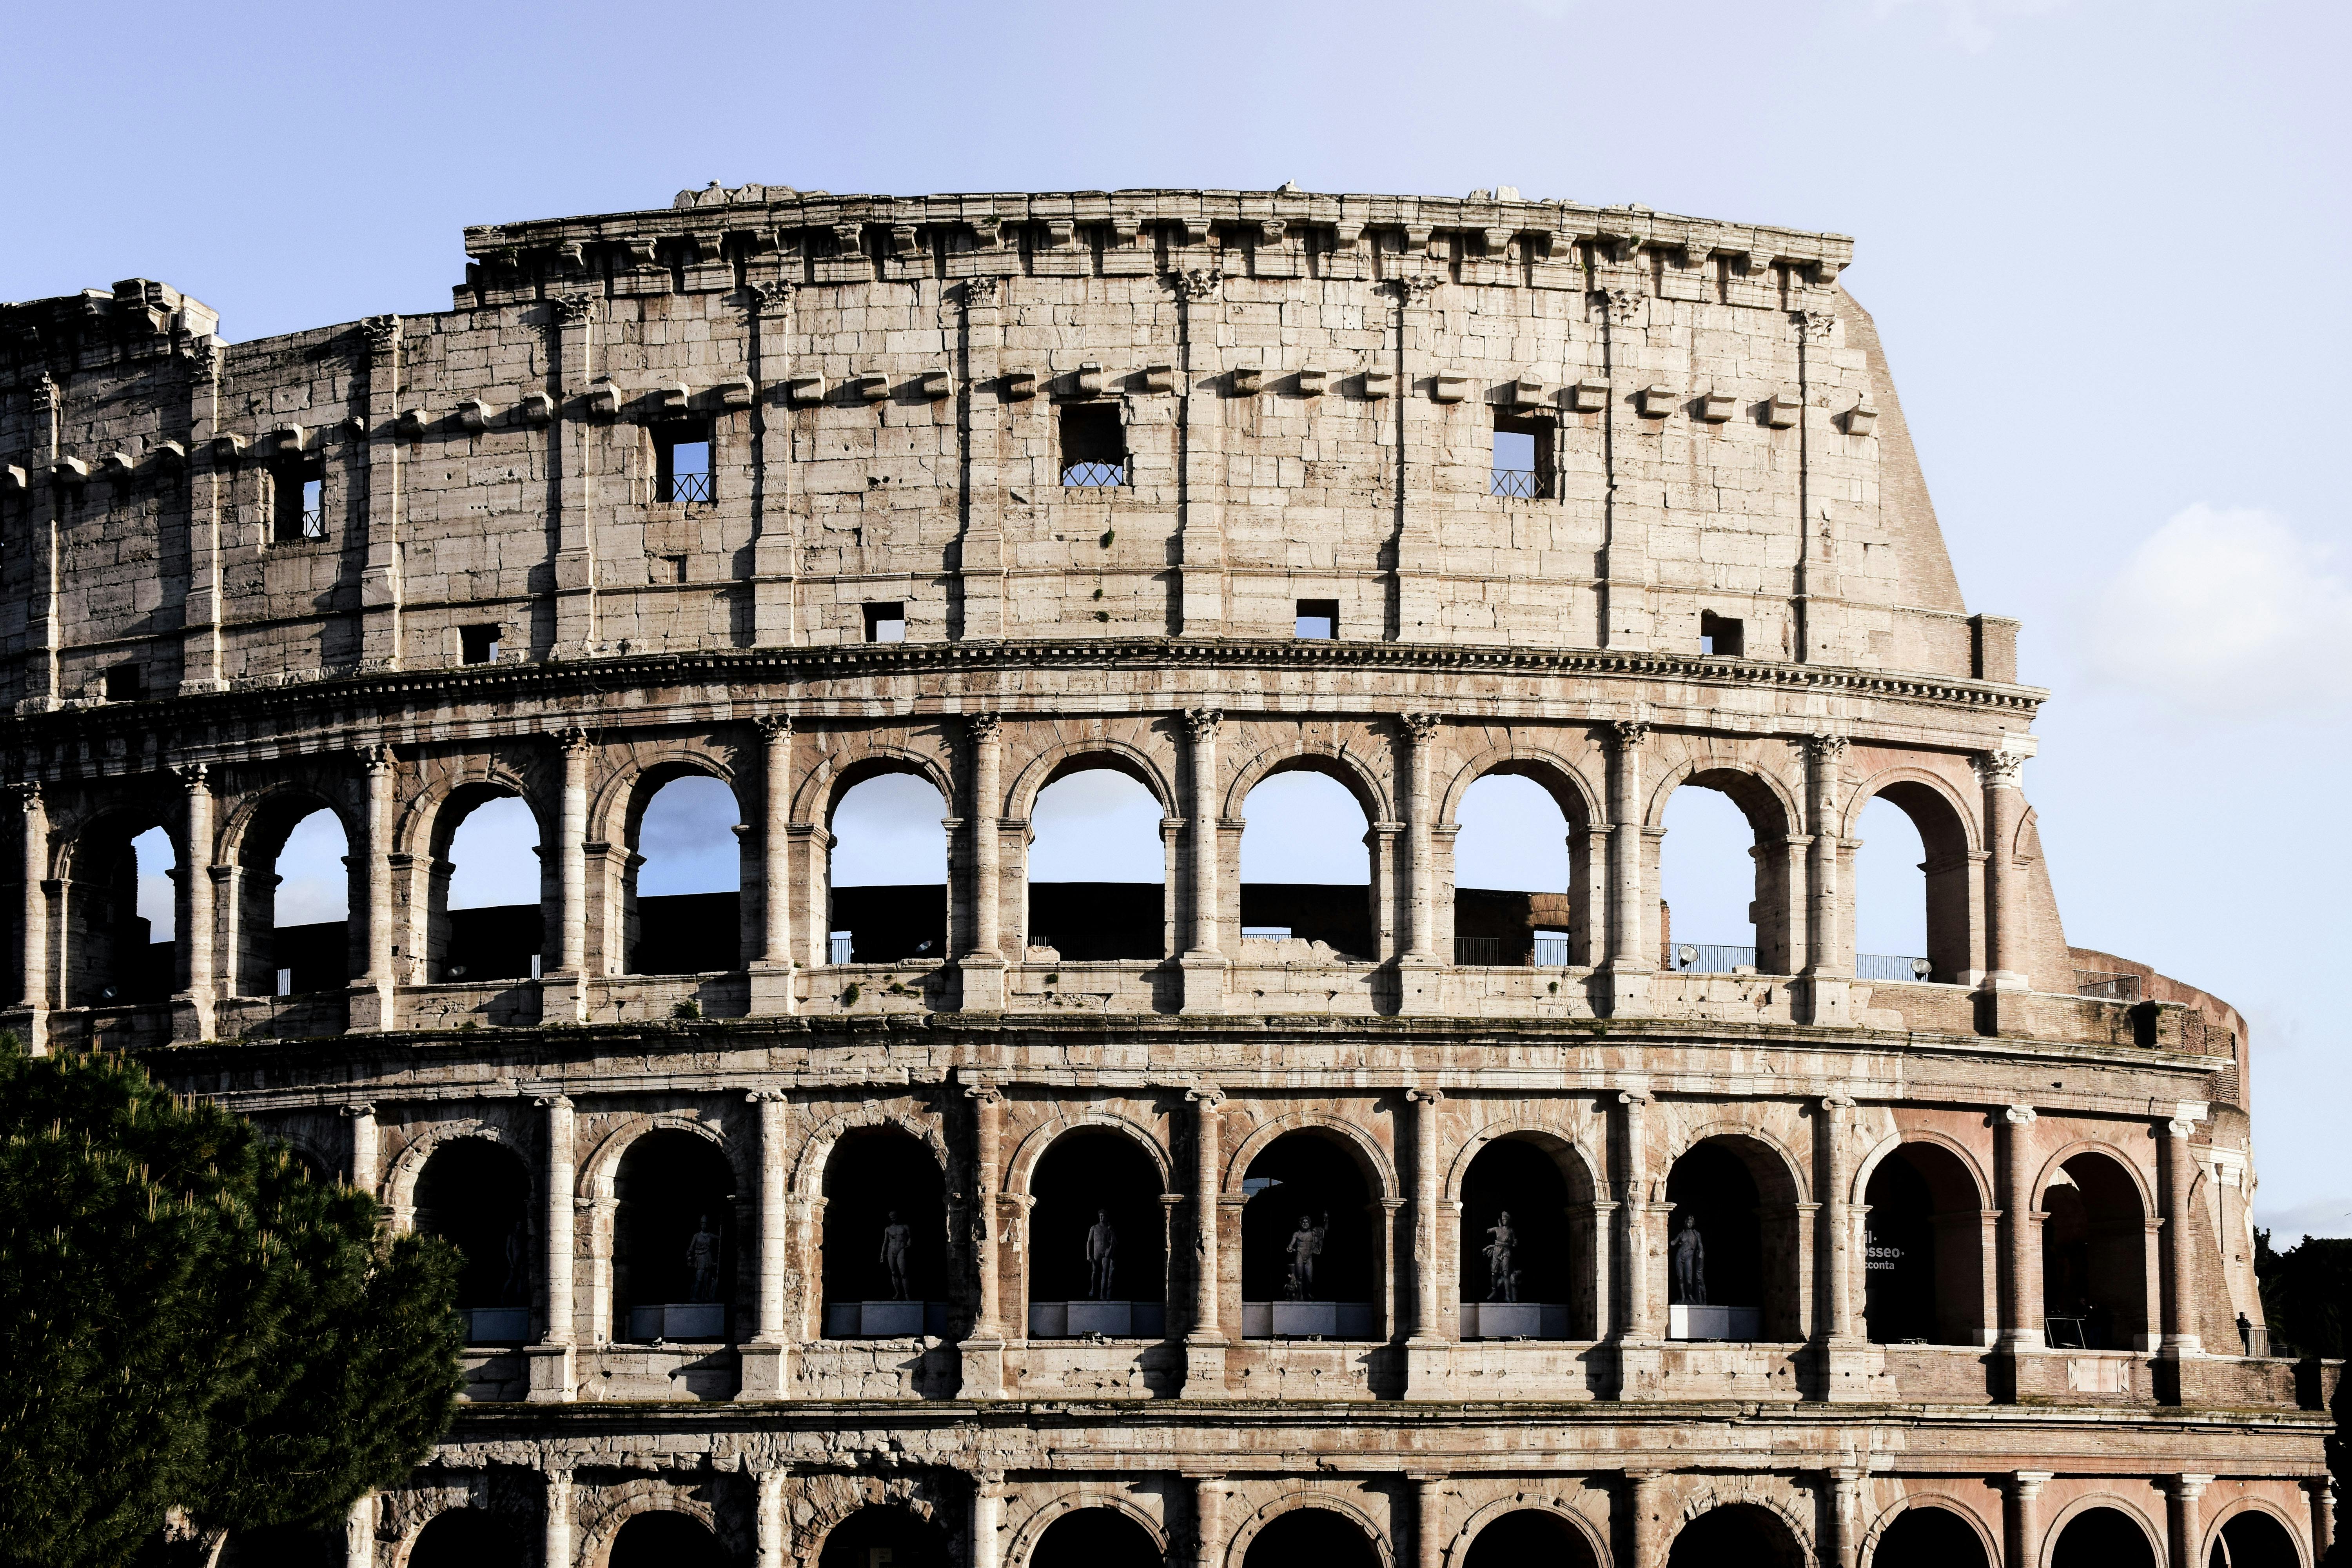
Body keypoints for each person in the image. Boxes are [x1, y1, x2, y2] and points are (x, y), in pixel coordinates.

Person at [1285, 1212, 1328, 1300]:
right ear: (1301, 1224)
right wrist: (1290, 1248)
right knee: (1299, 1277)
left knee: (1309, 1279)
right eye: (1303, 1222)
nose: (1305, 1224)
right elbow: (1291, 1245)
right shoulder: (1297, 1234)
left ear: (1310, 1224)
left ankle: (1308, 1293)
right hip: (1300, 1255)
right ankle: (1300, 1295)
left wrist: (1326, 1220)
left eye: (1307, 1222)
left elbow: (1325, 1230)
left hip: (1309, 1256)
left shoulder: (1314, 1233)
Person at [1483, 1211, 1519, 1302]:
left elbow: (1514, 1242)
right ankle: (1494, 1291)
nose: (1504, 1221)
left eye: (1505, 1220)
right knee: (1494, 1274)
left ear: (1508, 1220)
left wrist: (1514, 1244)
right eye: (1503, 1219)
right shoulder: (1498, 1229)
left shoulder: (1511, 1231)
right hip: (1497, 1251)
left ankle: (1507, 1296)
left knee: (1506, 1274)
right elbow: (1488, 1231)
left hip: (1506, 1252)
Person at [1671, 1213, 1707, 1305]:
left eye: (1691, 1223)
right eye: (1688, 1222)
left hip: (1689, 1258)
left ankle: (1690, 1296)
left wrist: (1701, 1253)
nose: (1689, 1224)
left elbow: (1700, 1246)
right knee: (1680, 1278)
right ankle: (1683, 1297)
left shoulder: (1696, 1234)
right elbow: (1673, 1243)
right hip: (1679, 1257)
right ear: (1685, 1223)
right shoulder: (1682, 1234)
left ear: (1693, 1224)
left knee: (1689, 1280)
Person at [684, 1214, 722, 1302]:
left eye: (705, 1224)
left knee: (707, 1279)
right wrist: (689, 1255)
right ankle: (694, 1296)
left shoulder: (710, 1235)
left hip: (708, 1258)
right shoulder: (697, 1236)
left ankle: (705, 1297)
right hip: (700, 1258)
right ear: (701, 1225)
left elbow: (719, 1238)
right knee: (699, 1278)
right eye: (703, 1224)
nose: (704, 1226)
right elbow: (691, 1247)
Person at [1085, 1209, 1118, 1300]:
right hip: (1097, 1253)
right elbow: (1089, 1242)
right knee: (1095, 1273)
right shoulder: (1094, 1228)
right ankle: (1093, 1288)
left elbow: (1115, 1242)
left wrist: (1112, 1232)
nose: (1101, 1218)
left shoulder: (1109, 1229)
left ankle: (1103, 1295)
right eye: (1100, 1216)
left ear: (1106, 1217)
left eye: (1103, 1216)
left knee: (1105, 1274)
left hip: (1106, 1253)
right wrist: (1088, 1254)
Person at [880, 1209, 913, 1301]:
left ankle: (907, 1294)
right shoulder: (888, 1229)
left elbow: (910, 1237)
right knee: (894, 1273)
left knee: (903, 1273)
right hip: (891, 1251)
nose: (893, 1219)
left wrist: (910, 1242)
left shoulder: (905, 1227)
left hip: (901, 1249)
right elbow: (886, 1242)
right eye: (891, 1218)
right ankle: (898, 1292)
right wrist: (882, 1254)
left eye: (894, 1217)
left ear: (898, 1217)